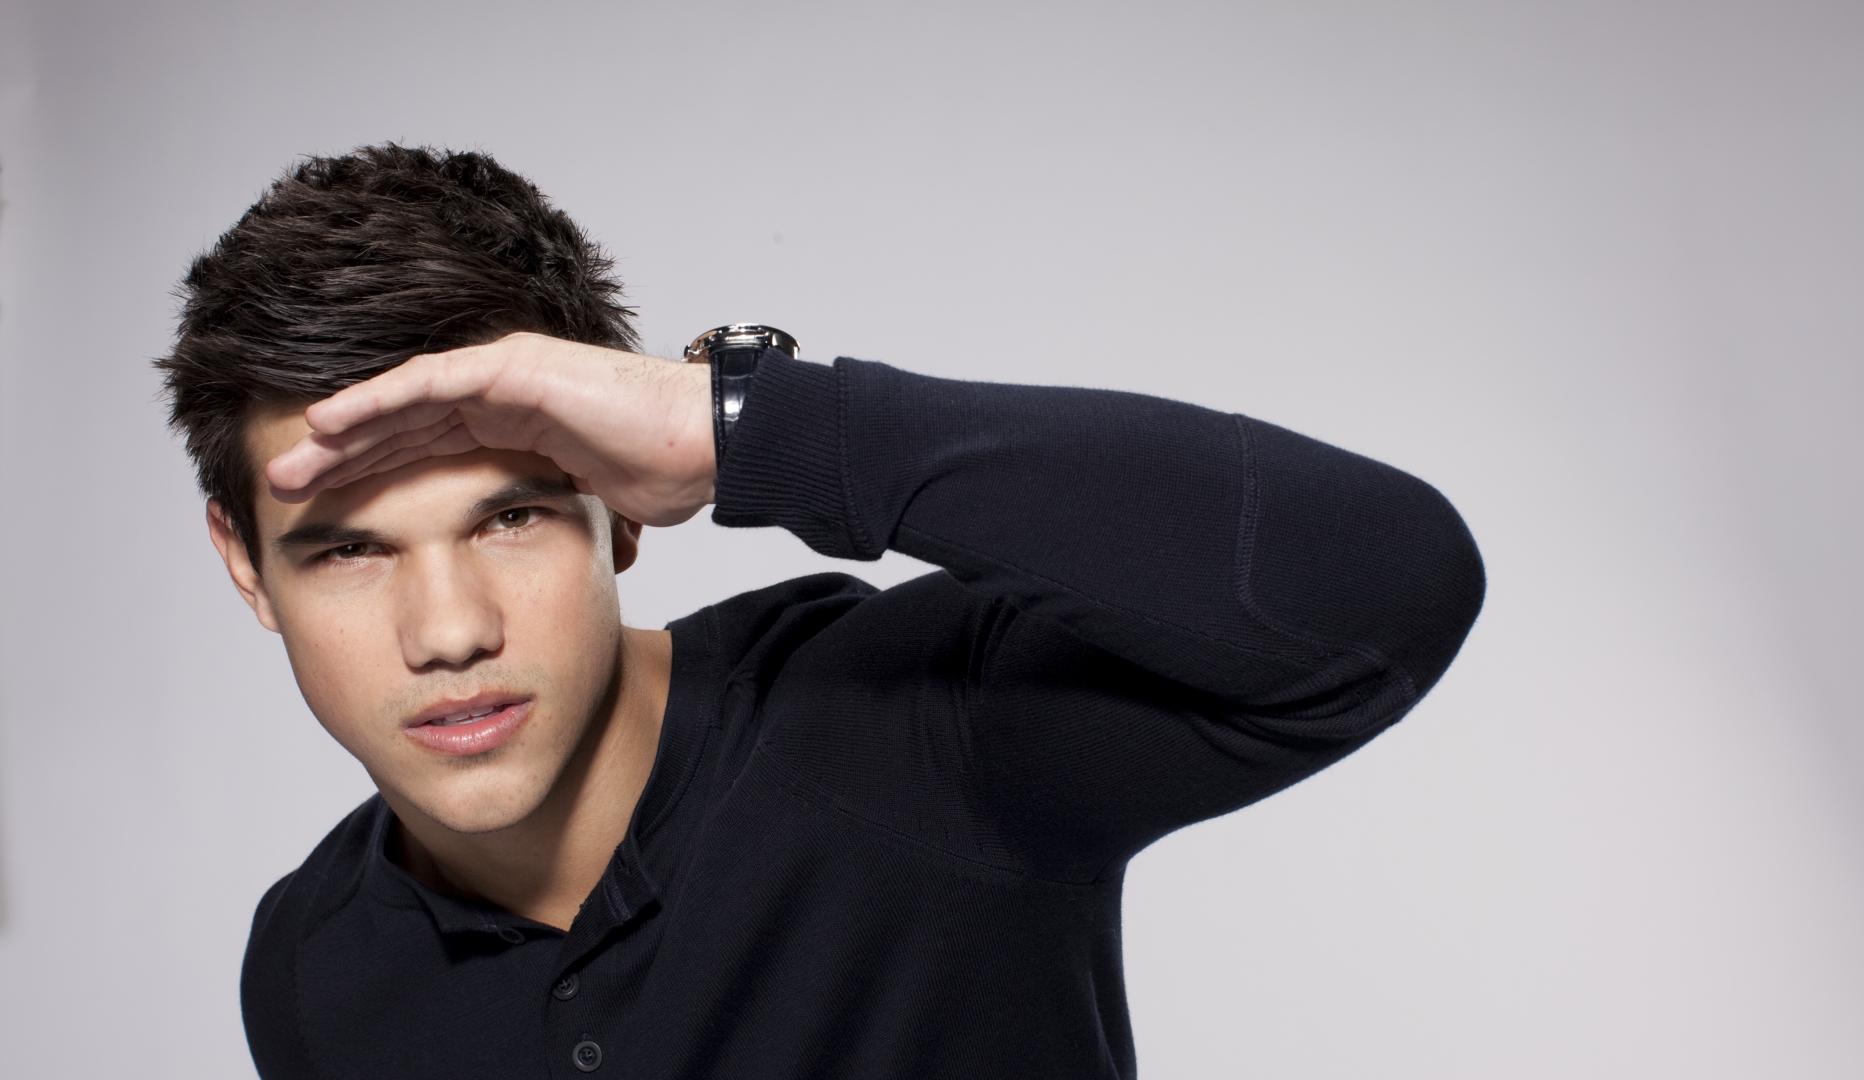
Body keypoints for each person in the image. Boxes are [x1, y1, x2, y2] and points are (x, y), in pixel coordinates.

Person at [155, 141, 1486, 1079]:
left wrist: (746, 426)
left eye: (510, 518)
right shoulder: (311, 968)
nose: (448, 631)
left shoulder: (916, 735)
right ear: (244, 565)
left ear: (619, 505)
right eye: (348, 552)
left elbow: (1389, 587)